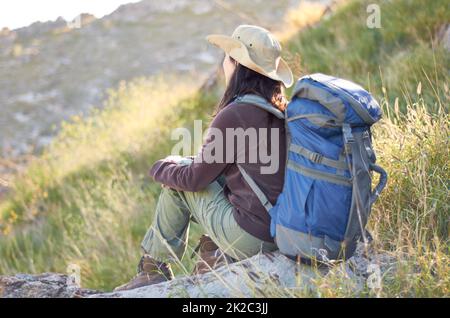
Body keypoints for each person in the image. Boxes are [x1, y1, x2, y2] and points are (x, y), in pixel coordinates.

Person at [115, 24, 294, 291]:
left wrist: (160, 167)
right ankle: (213, 255)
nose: (223, 63)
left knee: (177, 188)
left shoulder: (236, 114)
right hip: (283, 230)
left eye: (226, 57)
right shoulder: (281, 110)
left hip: (253, 238)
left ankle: (154, 271)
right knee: (198, 176)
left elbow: (195, 179)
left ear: (235, 64)